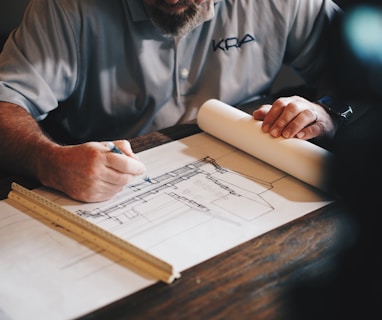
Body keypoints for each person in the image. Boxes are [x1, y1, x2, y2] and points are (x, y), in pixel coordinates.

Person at [0, 0, 344, 202]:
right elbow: (6, 102)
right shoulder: (66, 7)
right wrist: (47, 160)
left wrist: (327, 111)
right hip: (110, 184)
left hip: (256, 183)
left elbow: (363, 70)